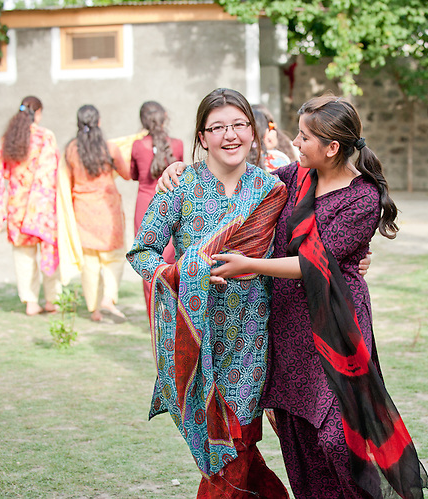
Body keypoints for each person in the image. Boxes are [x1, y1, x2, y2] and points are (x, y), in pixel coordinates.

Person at [208, 96, 428, 499]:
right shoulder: (295, 177)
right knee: (299, 439)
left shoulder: (362, 198)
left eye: (304, 136)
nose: (295, 141)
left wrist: (251, 264)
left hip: (336, 325)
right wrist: (179, 169)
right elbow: (241, 177)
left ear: (332, 147)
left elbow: (312, 262)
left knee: (337, 438)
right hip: (290, 321)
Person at [126, 88, 289, 498]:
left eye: (239, 125)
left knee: (235, 446)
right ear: (202, 137)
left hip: (254, 337)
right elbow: (141, 251)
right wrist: (183, 273)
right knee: (234, 449)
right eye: (217, 128)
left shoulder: (273, 190)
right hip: (198, 342)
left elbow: (306, 247)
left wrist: (355, 259)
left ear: (253, 132)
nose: (229, 135)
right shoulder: (180, 187)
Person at [0, 96, 61, 316]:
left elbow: (2, 172)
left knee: (23, 255)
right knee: (48, 249)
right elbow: (50, 172)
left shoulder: (7, 138)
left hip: (17, 207)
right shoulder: (45, 137)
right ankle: (52, 300)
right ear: (37, 113)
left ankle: (31, 302)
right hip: (41, 206)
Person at [64, 104, 130, 322]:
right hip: (107, 207)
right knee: (113, 257)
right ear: (99, 122)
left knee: (90, 262)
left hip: (83, 208)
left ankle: (94, 310)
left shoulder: (71, 149)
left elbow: (68, 180)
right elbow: (127, 174)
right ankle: (109, 298)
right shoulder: (109, 148)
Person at [129, 101, 184, 313]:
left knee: (147, 258)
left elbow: (134, 174)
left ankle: (154, 314)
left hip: (144, 205)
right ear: (165, 116)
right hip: (171, 204)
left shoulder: (136, 146)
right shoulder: (177, 144)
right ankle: (174, 309)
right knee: (172, 259)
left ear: (143, 121)